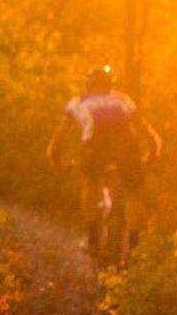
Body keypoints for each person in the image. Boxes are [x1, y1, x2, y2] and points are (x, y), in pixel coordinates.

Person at [46, 64, 163, 259]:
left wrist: (56, 159)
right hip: (126, 147)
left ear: (88, 85)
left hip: (95, 147)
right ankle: (134, 244)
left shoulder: (78, 102)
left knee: (90, 183)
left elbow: (59, 136)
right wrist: (152, 154)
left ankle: (92, 238)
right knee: (134, 191)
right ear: (111, 85)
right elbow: (147, 131)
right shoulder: (123, 100)